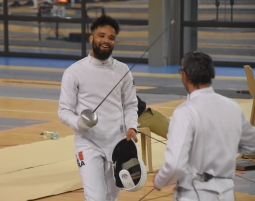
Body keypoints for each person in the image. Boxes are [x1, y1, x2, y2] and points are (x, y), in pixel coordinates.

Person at [153, 51, 255, 201]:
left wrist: (159, 180)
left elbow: (175, 165)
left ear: (185, 75)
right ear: (210, 75)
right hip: (226, 193)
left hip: (195, 194)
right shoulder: (232, 106)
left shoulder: (185, 112)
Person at [58, 15, 138, 201]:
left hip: (117, 143)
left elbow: (131, 105)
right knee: (96, 197)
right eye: (101, 36)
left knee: (111, 197)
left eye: (111, 38)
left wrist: (131, 126)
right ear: (91, 38)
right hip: (88, 143)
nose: (106, 41)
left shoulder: (122, 70)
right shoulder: (74, 72)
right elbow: (64, 111)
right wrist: (78, 122)